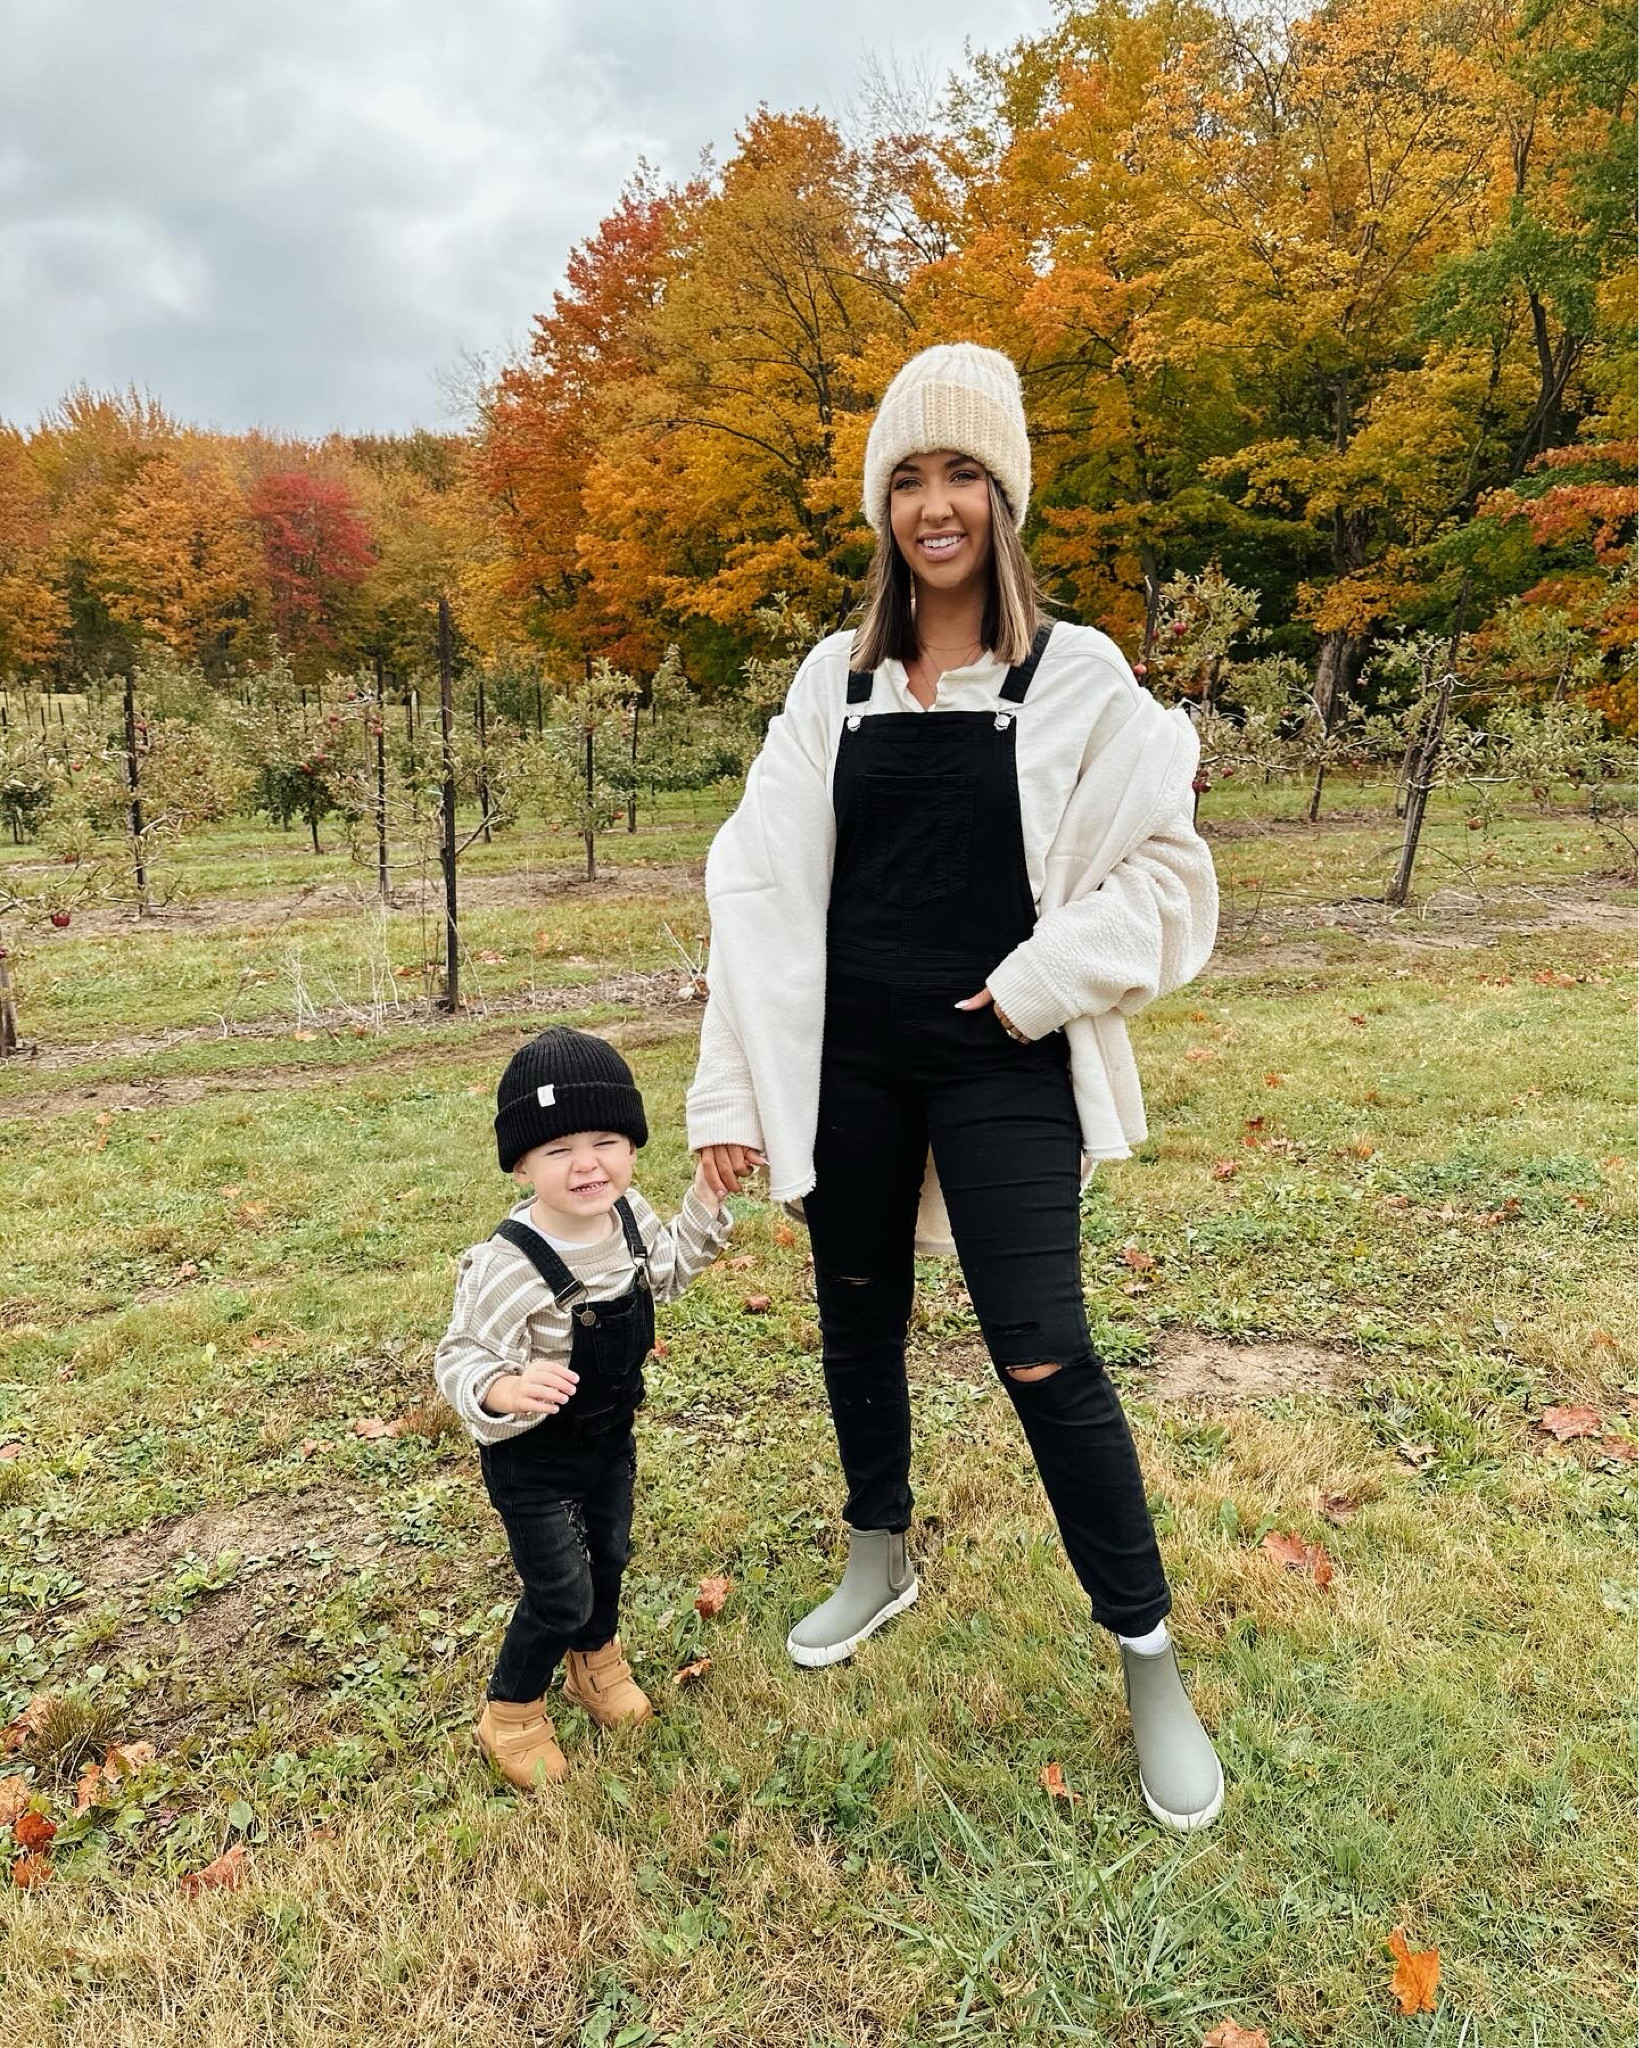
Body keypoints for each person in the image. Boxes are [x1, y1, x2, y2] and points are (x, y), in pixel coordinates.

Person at [687, 343, 1225, 1830]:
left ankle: (1147, 1660)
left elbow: (1170, 877)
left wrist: (1041, 984)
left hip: (999, 1056)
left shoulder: (1078, 677)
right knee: (852, 1308)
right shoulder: (835, 678)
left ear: (1004, 495)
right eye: (909, 478)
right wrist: (732, 1093)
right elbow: (755, 884)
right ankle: (877, 1555)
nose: (935, 506)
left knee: (1043, 1349)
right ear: (882, 505)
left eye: (962, 475)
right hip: (847, 1056)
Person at [436, 1027, 732, 1789]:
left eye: (605, 1140)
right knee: (558, 1589)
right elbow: (459, 1355)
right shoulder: (508, 1264)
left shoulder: (629, 1216)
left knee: (610, 1558)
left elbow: (664, 1274)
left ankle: (594, 1665)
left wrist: (703, 1199)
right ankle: (511, 1709)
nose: (586, 1163)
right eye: (558, 1149)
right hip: (530, 1457)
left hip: (609, 1438)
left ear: (631, 1149)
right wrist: (502, 1388)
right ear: (522, 1164)